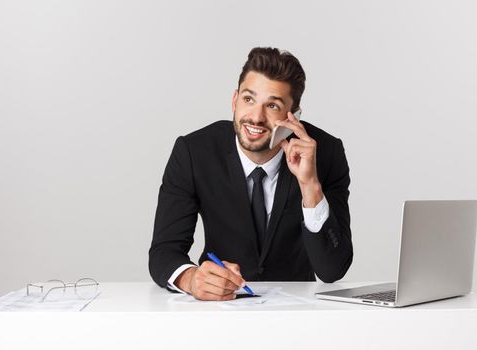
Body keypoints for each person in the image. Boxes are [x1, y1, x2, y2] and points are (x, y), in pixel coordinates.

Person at [149, 47, 353, 301]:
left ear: (294, 116)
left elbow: (333, 270)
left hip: (296, 314)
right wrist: (191, 279)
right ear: (234, 101)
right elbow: (163, 251)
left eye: (272, 105)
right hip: (218, 310)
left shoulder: (326, 154)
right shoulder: (193, 152)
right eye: (248, 99)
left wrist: (310, 184)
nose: (256, 117)